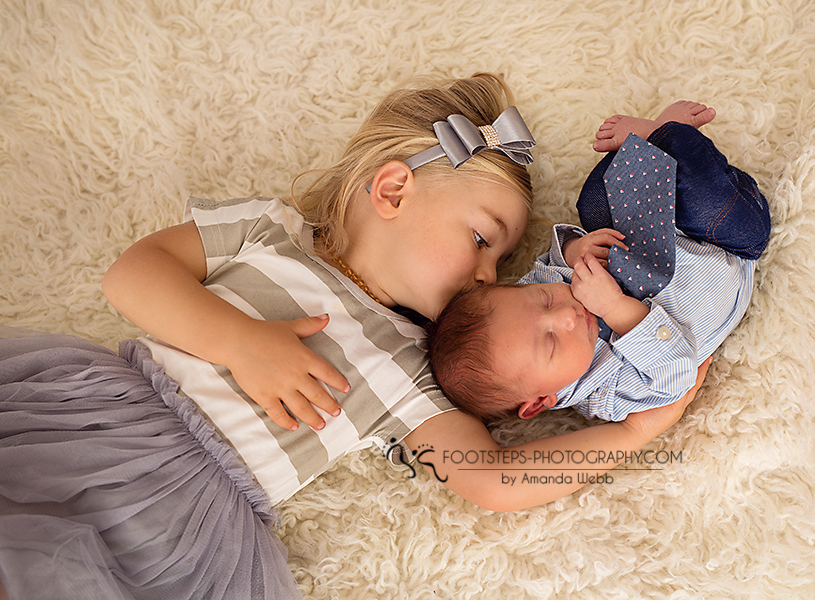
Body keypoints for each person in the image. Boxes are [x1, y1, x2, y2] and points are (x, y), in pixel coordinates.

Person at [0, 75, 707, 600]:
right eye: (482, 240)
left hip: (189, 513)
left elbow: (494, 480)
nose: (489, 277)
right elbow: (133, 275)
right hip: (104, 422)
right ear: (393, 190)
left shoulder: (417, 373)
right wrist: (242, 343)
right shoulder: (269, 232)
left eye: (498, 262)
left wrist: (636, 433)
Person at [428, 101, 769, 422]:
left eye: (544, 300)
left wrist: (575, 251)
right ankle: (666, 136)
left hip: (659, 224)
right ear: (538, 402)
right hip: (725, 248)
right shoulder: (609, 394)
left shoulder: (523, 303)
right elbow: (677, 372)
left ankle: (655, 145)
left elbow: (548, 266)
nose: (565, 314)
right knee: (717, 204)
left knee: (592, 203)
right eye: (550, 341)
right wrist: (616, 308)